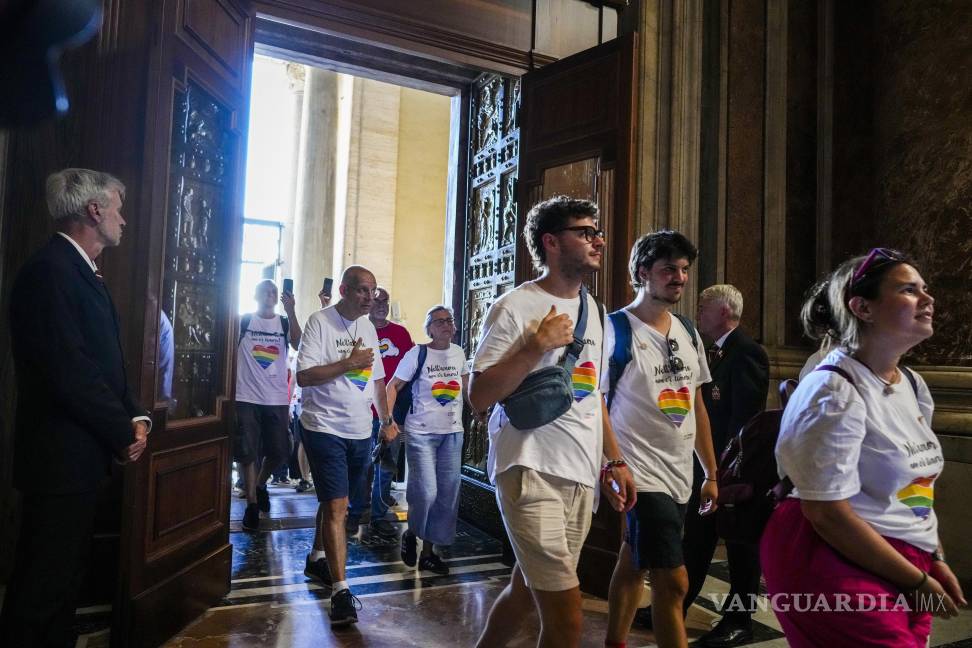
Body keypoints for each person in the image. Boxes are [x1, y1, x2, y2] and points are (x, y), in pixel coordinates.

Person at [762, 248, 966, 647]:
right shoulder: (833, 390)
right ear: (863, 308)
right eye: (909, 290)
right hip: (829, 552)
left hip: (901, 555)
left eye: (925, 289)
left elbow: (917, 487)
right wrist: (917, 578)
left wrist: (934, 557)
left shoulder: (911, 384)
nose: (928, 299)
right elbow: (825, 512)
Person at [471, 195, 635, 648]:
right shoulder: (516, 306)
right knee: (567, 615)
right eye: (585, 232)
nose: (598, 240)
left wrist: (614, 460)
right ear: (552, 242)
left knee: (524, 593)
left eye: (597, 231)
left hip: (579, 473)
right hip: (530, 469)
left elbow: (593, 394)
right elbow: (479, 395)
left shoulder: (597, 313)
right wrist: (533, 347)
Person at [0, 169, 150, 647]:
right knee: (41, 586)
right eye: (118, 208)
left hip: (80, 457)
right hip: (58, 457)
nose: (124, 220)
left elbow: (106, 362)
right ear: (94, 210)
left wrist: (137, 414)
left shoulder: (80, 271)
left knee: (65, 581)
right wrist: (122, 429)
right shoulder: (50, 272)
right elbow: (71, 372)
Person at [603, 232, 720, 648]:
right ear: (642, 273)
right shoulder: (614, 329)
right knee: (674, 582)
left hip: (679, 471)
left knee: (633, 561)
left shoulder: (688, 331)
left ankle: (613, 641)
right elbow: (596, 403)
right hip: (640, 472)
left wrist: (710, 472)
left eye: (684, 269)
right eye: (669, 269)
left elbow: (697, 404)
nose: (680, 277)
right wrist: (614, 463)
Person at [296, 265, 398, 626]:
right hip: (323, 426)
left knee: (334, 498)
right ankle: (340, 591)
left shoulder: (368, 327)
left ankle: (316, 556)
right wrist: (348, 363)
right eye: (362, 290)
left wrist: (385, 420)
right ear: (343, 289)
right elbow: (304, 376)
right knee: (338, 505)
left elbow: (378, 381)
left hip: (360, 429)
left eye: (373, 290)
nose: (370, 297)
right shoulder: (319, 322)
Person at [674, 283, 768, 647]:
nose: (698, 310)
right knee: (696, 540)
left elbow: (744, 420)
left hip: (734, 469)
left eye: (704, 306)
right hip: (707, 465)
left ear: (725, 313)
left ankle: (739, 621)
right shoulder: (709, 351)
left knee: (741, 547)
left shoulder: (748, 353)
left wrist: (723, 469)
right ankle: (675, 605)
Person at [386, 306, 468, 574]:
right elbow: (393, 386)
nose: (446, 325)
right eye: (439, 321)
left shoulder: (459, 353)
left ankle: (430, 553)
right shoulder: (416, 353)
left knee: (446, 495)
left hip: (452, 432)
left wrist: (480, 409)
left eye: (449, 320)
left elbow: (467, 388)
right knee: (427, 491)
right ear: (429, 328)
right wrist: (387, 420)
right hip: (421, 432)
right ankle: (412, 532)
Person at [234, 279, 302, 530]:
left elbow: (298, 344)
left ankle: (260, 484)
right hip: (246, 395)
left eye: (274, 291)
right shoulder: (244, 321)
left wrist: (292, 310)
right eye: (265, 290)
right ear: (255, 294)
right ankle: (251, 503)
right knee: (247, 450)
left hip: (276, 397)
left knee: (280, 450)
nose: (270, 294)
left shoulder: (283, 323)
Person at [348, 286, 414, 537]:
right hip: (363, 408)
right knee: (361, 465)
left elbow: (409, 370)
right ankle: (355, 513)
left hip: (391, 410)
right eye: (377, 301)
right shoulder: (358, 330)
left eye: (385, 301)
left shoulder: (400, 333)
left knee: (385, 466)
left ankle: (378, 515)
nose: (382, 306)